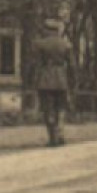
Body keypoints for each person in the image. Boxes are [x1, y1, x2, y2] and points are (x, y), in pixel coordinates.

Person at [33, 17, 73, 147]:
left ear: (47, 30)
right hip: (61, 79)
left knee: (47, 109)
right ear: (57, 30)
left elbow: (37, 64)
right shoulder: (66, 44)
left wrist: (35, 79)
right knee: (61, 108)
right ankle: (60, 135)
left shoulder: (40, 44)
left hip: (45, 79)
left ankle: (52, 137)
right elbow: (72, 65)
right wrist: (72, 80)